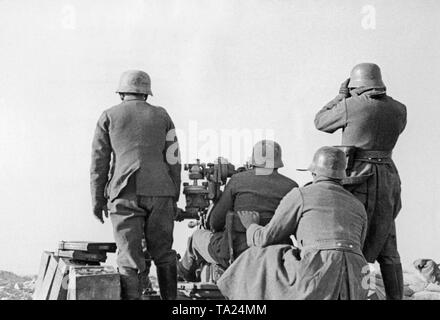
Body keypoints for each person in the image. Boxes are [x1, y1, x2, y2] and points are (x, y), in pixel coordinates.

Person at [217, 147, 369, 300]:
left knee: (257, 255)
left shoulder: (301, 194)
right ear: (342, 176)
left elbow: (265, 238)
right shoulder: (358, 205)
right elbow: (360, 245)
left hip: (317, 271)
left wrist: (251, 226)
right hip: (357, 276)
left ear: (314, 172)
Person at [314, 63, 407, 299]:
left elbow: (320, 122)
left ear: (356, 85)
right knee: (387, 243)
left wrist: (340, 96)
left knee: (353, 238)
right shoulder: (399, 109)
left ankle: (354, 294)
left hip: (357, 177)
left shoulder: (351, 105)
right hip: (388, 178)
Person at [90, 70, 181, 300]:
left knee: (129, 258)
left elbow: (99, 162)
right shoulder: (163, 116)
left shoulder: (109, 116)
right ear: (147, 94)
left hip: (124, 194)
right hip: (161, 193)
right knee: (164, 253)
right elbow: (174, 160)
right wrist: (173, 196)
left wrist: (97, 200)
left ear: (121, 92)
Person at [177, 140, 298, 281]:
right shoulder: (291, 186)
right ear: (278, 161)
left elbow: (215, 223)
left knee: (197, 237)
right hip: (277, 255)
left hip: (236, 254)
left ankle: (182, 274)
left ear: (253, 160)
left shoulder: (238, 180)